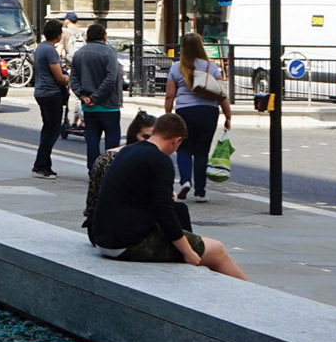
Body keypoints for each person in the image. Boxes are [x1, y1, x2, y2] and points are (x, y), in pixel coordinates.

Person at [84, 112, 249, 277]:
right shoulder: (160, 160)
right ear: (176, 140)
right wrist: (188, 252)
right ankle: (255, 299)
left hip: (103, 239)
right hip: (127, 243)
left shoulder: (127, 151)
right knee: (217, 250)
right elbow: (165, 212)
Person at [162, 32, 231, 201]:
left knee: (184, 148)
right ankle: (200, 192)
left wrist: (168, 115)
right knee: (202, 152)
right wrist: (228, 116)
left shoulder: (176, 67)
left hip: (185, 111)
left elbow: (170, 95)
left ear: (183, 47)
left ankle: (186, 181)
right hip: (208, 112)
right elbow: (222, 94)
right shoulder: (211, 67)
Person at [68, 22, 124, 172]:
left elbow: (73, 78)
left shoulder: (79, 53)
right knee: (112, 142)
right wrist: (97, 97)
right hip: (109, 105)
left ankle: (93, 169)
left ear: (87, 37)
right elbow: (111, 77)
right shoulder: (109, 52)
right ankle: (109, 170)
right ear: (104, 36)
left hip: (89, 107)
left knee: (92, 140)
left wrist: (83, 96)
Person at [31, 19, 69, 179]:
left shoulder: (41, 48)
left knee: (48, 129)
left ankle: (45, 165)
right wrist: (68, 78)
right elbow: (59, 77)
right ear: (58, 35)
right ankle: (40, 166)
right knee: (52, 131)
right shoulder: (50, 51)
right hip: (50, 93)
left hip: (41, 92)